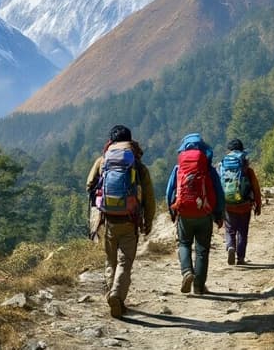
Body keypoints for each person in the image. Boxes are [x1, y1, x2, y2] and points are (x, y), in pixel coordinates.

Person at [86, 124, 156, 319]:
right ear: (130, 141)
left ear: (111, 140)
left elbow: (89, 184)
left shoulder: (103, 161)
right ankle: (117, 295)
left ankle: (113, 294)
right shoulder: (137, 165)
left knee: (111, 261)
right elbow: (149, 197)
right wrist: (148, 221)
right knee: (125, 262)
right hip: (130, 221)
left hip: (108, 220)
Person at [165, 133, 224, 295]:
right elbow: (219, 193)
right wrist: (219, 214)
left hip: (184, 213)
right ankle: (198, 286)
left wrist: (172, 211)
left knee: (184, 244)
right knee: (202, 250)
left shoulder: (178, 169)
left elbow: (169, 192)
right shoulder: (208, 169)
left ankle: (186, 272)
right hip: (204, 213)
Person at [220, 139, 263, 266]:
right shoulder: (247, 170)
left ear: (229, 150)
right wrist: (258, 204)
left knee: (230, 229)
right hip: (245, 205)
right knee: (243, 231)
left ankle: (230, 246)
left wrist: (217, 207)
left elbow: (218, 186)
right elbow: (256, 188)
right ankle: (240, 258)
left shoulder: (222, 167)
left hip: (228, 204)